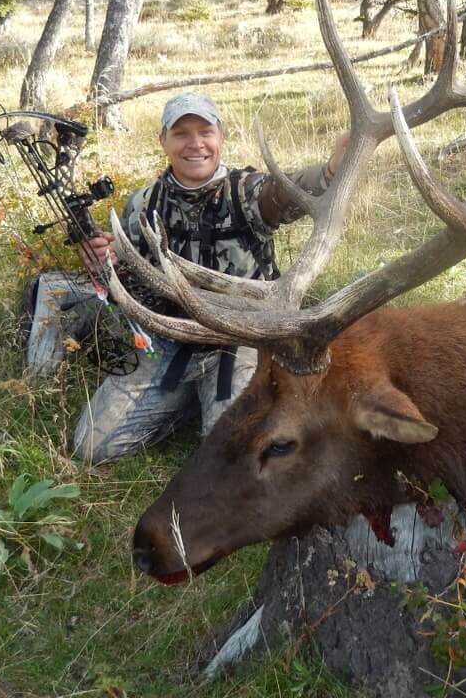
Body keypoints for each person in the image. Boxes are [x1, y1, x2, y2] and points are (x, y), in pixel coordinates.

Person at [27, 91, 347, 464]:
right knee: (91, 448)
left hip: (237, 342)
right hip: (169, 344)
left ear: (221, 138)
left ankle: (211, 401)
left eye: (205, 132)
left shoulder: (246, 193)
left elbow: (283, 193)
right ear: (163, 141)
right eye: (181, 134)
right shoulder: (144, 203)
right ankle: (185, 404)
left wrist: (328, 172)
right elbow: (129, 277)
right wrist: (106, 259)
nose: (195, 144)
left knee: (238, 454)